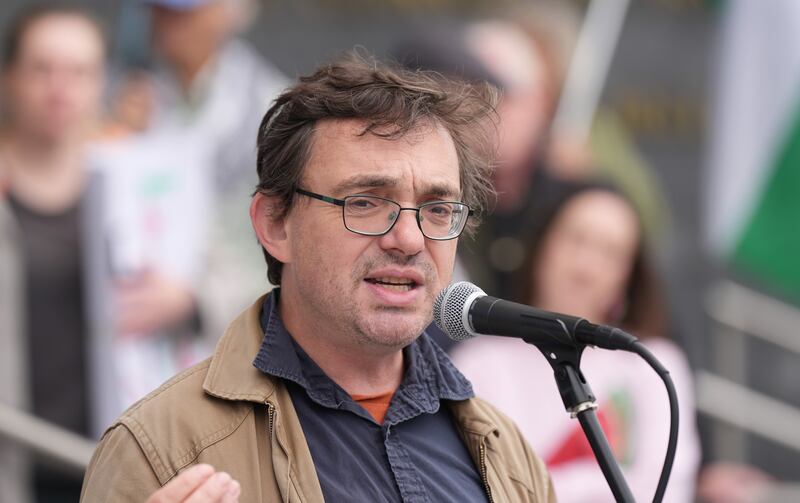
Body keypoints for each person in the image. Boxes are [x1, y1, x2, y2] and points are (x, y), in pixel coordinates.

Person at [80, 53, 556, 502]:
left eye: (436, 208)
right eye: (366, 203)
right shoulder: (161, 449)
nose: (409, 239)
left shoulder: (505, 452)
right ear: (275, 225)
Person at [452, 182, 701, 502]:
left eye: (610, 252)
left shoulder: (651, 364)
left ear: (628, 276)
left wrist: (548, 485)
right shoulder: (479, 363)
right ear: (542, 244)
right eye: (576, 239)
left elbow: (668, 491)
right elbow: (492, 490)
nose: (585, 267)